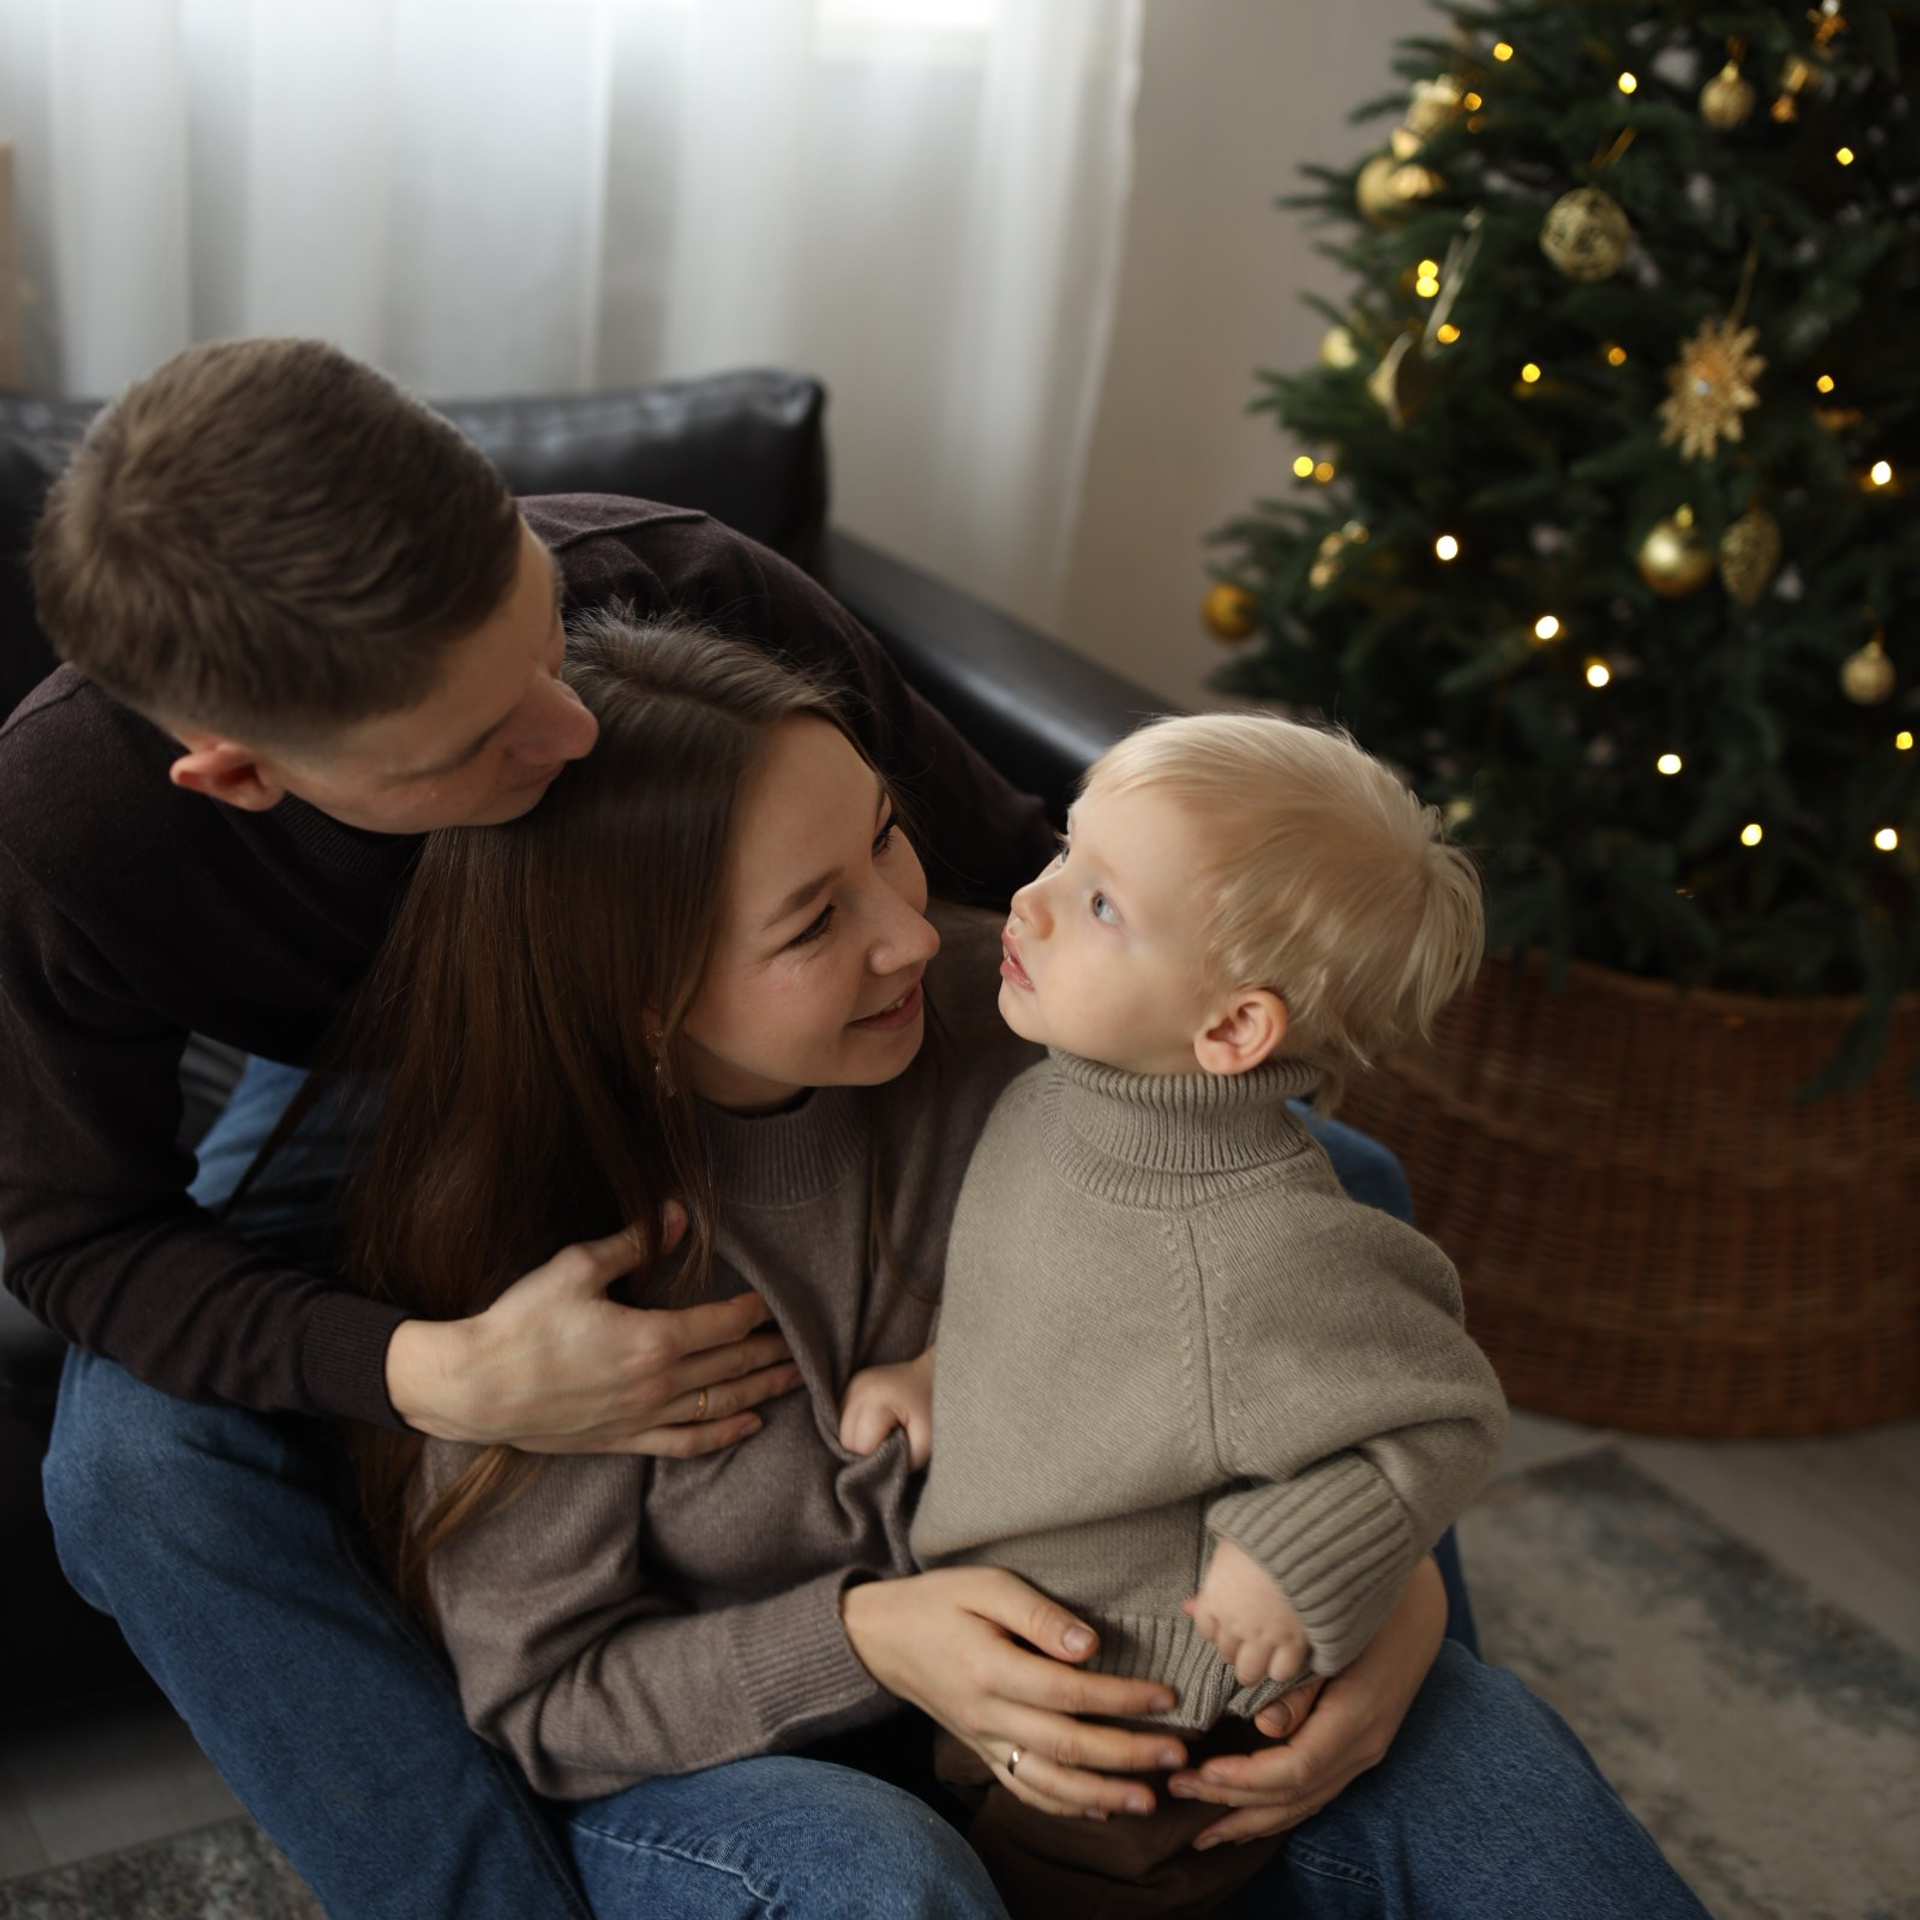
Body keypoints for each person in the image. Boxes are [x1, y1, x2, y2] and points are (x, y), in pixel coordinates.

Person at [359, 614, 1711, 1920]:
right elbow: (545, 1707)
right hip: (760, 1778)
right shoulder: (552, 1277)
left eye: (887, 841)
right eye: (812, 923)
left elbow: (1313, 1325)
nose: (911, 927)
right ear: (645, 1007)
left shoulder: (1018, 1021)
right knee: (880, 1872)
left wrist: (1390, 1623)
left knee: (1488, 1755)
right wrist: (872, 1638)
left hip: (1122, 1731)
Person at [1, 335, 1059, 1920]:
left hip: (734, 1049)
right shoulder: (71, 825)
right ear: (236, 777)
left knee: (1327, 1176)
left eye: (548, 639)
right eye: (477, 746)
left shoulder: (683, 583)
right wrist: (433, 1373)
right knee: (132, 1467)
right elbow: (78, 1236)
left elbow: (1019, 880)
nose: (572, 734)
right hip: (375, 1085)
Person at [841, 712, 1509, 1916]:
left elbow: (1445, 1414)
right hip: (1023, 1634)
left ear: (1233, 1028)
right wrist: (940, 1371)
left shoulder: (1268, 1246)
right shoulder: (1054, 1100)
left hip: (1153, 1719)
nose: (1031, 903)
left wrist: (1294, 1558)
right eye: (1066, 853)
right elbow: (1058, 1304)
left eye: (1102, 906)